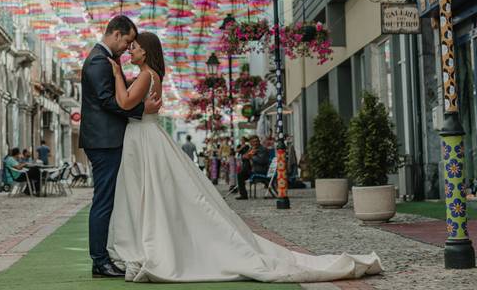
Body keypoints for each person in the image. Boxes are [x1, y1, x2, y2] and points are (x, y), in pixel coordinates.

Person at [104, 31, 382, 283]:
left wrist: (117, 75)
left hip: (143, 137)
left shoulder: (144, 74)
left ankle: (149, 243)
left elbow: (125, 103)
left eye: (136, 47)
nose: (131, 50)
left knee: (146, 192)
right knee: (150, 192)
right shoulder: (152, 75)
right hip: (145, 136)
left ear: (147, 51)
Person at [79, 15, 162, 279]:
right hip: (104, 141)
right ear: (116, 34)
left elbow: (115, 96)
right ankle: (100, 261)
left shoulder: (106, 60)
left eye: (132, 45)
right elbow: (107, 101)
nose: (128, 47)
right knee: (104, 200)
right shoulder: (98, 61)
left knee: (113, 198)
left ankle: (107, 256)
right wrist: (140, 109)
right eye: (127, 41)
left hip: (108, 139)